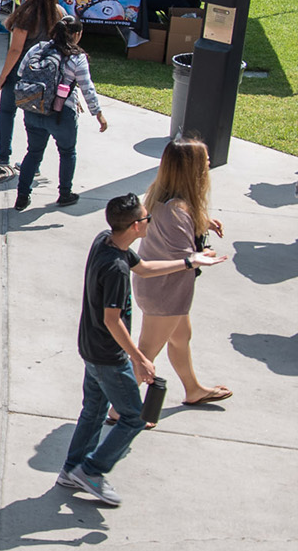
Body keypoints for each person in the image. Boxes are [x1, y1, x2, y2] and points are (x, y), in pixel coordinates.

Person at [59, 194, 225, 506]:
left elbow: (146, 268)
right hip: (109, 357)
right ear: (137, 226)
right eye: (147, 218)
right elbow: (113, 320)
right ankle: (92, 471)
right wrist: (141, 359)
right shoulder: (117, 269)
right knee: (134, 417)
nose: (149, 221)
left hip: (89, 347)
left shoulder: (105, 240)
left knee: (93, 410)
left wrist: (190, 261)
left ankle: (71, 470)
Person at [135, 135, 235, 420]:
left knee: (181, 337)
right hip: (165, 291)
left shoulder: (163, 196)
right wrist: (203, 255)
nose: (208, 163)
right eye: (204, 161)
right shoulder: (177, 210)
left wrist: (203, 222)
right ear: (190, 170)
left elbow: (173, 231)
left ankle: (193, 389)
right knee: (146, 354)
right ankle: (120, 410)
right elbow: (183, 257)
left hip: (162, 290)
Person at [13, 15, 107, 210]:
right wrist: (97, 113)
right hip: (62, 114)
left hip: (34, 108)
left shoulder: (38, 49)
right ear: (77, 34)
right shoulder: (77, 57)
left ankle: (22, 196)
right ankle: (64, 193)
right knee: (67, 152)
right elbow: (86, 87)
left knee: (33, 152)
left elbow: (22, 72)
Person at [0, 0, 61, 171]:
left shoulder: (25, 14)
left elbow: (15, 50)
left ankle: (3, 154)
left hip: (20, 72)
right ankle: (34, 162)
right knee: (37, 118)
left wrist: (2, 77)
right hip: (45, 75)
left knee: (7, 111)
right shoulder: (58, 13)